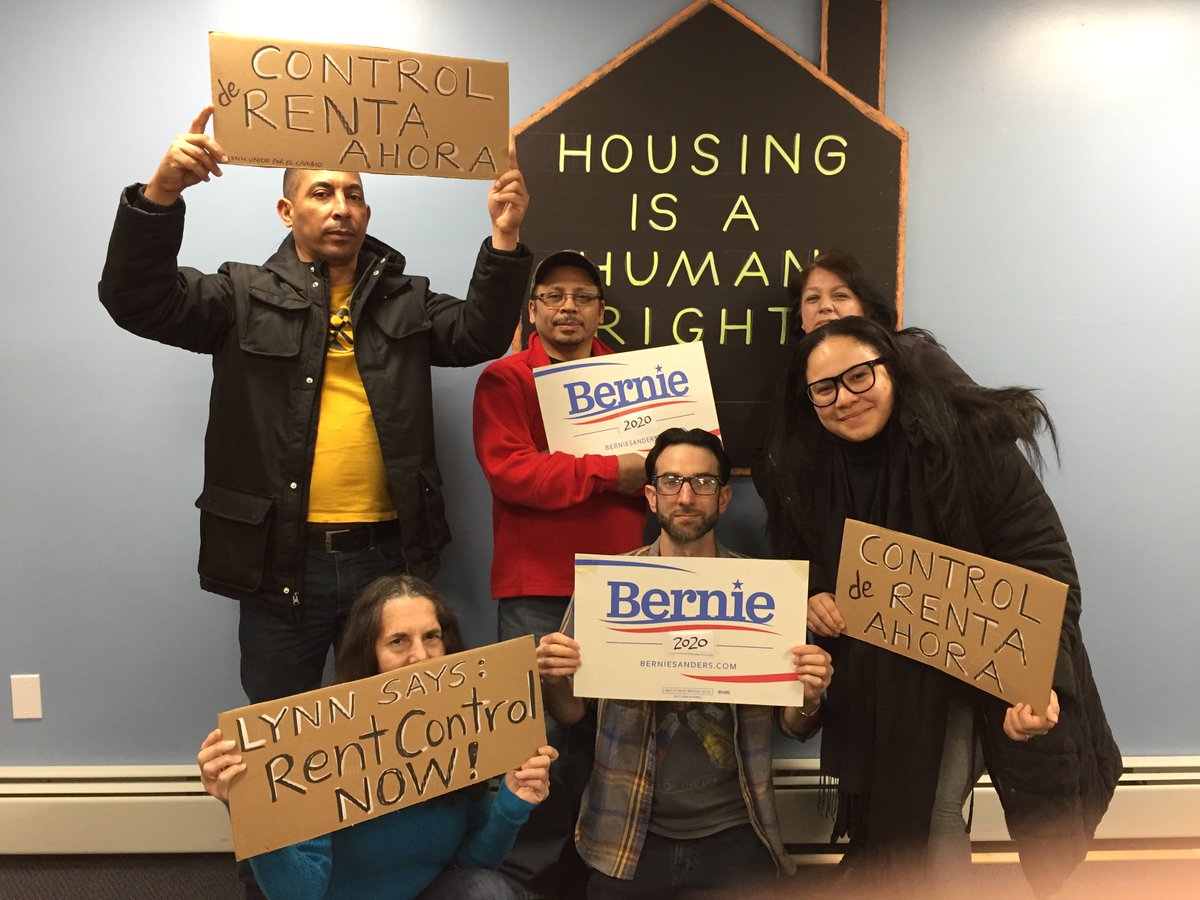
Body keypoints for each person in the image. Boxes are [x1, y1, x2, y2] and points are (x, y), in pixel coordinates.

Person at [98, 105, 533, 707]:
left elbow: (480, 334)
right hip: (282, 559)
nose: (340, 207)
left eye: (353, 194)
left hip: (388, 555)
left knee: (402, 729)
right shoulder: (240, 294)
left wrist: (504, 239)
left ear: (367, 213)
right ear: (287, 210)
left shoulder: (406, 299)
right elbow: (135, 299)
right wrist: (164, 191)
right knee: (281, 734)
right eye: (322, 192)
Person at [762, 316, 1120, 897]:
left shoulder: (969, 448)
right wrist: (810, 598)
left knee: (931, 818)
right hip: (864, 676)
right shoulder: (799, 468)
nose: (844, 399)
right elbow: (794, 558)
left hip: (959, 673)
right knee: (889, 828)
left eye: (859, 377)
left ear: (893, 369)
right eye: (824, 389)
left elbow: (1042, 560)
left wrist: (1035, 677)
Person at [536, 428, 834, 898]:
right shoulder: (606, 585)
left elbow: (795, 727)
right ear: (651, 496)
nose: (688, 496)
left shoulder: (767, 591)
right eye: (671, 482)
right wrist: (554, 678)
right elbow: (571, 714)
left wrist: (811, 694)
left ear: (725, 497)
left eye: (704, 482)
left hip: (738, 837)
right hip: (624, 838)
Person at [199, 574, 558, 900]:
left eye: (431, 637)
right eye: (399, 641)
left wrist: (512, 806)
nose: (420, 656)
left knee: (488, 893)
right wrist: (248, 808)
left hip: (429, 891)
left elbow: (471, 865)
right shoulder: (322, 738)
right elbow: (299, 894)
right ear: (370, 652)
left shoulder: (464, 727)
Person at [471, 250, 647, 897]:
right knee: (536, 740)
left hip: (625, 587)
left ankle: (605, 873)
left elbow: (678, 458)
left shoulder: (643, 380)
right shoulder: (506, 380)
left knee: (617, 733)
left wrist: (618, 470)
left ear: (601, 311)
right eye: (553, 295)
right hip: (534, 589)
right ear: (533, 309)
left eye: (581, 295)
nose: (568, 306)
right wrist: (613, 471)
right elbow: (514, 476)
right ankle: (527, 880)